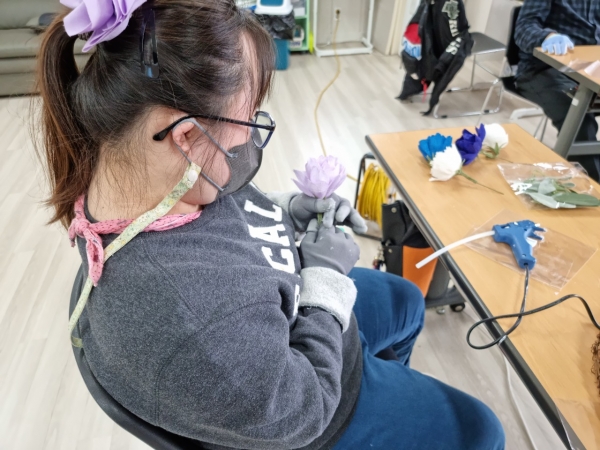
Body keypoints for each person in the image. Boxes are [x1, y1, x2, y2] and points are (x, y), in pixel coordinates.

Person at [36, 0, 505, 448]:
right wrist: (326, 277)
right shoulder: (191, 317)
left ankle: (388, 390)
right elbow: (305, 408)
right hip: (317, 407)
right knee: (481, 431)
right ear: (185, 135)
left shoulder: (147, 177)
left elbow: (223, 219)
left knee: (405, 299)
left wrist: (286, 210)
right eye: (245, 121)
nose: (247, 138)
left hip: (295, 310)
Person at [514, 0, 600, 181]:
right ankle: (593, 188)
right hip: (544, 69)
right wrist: (547, 37)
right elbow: (523, 29)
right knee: (578, 120)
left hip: (590, 68)